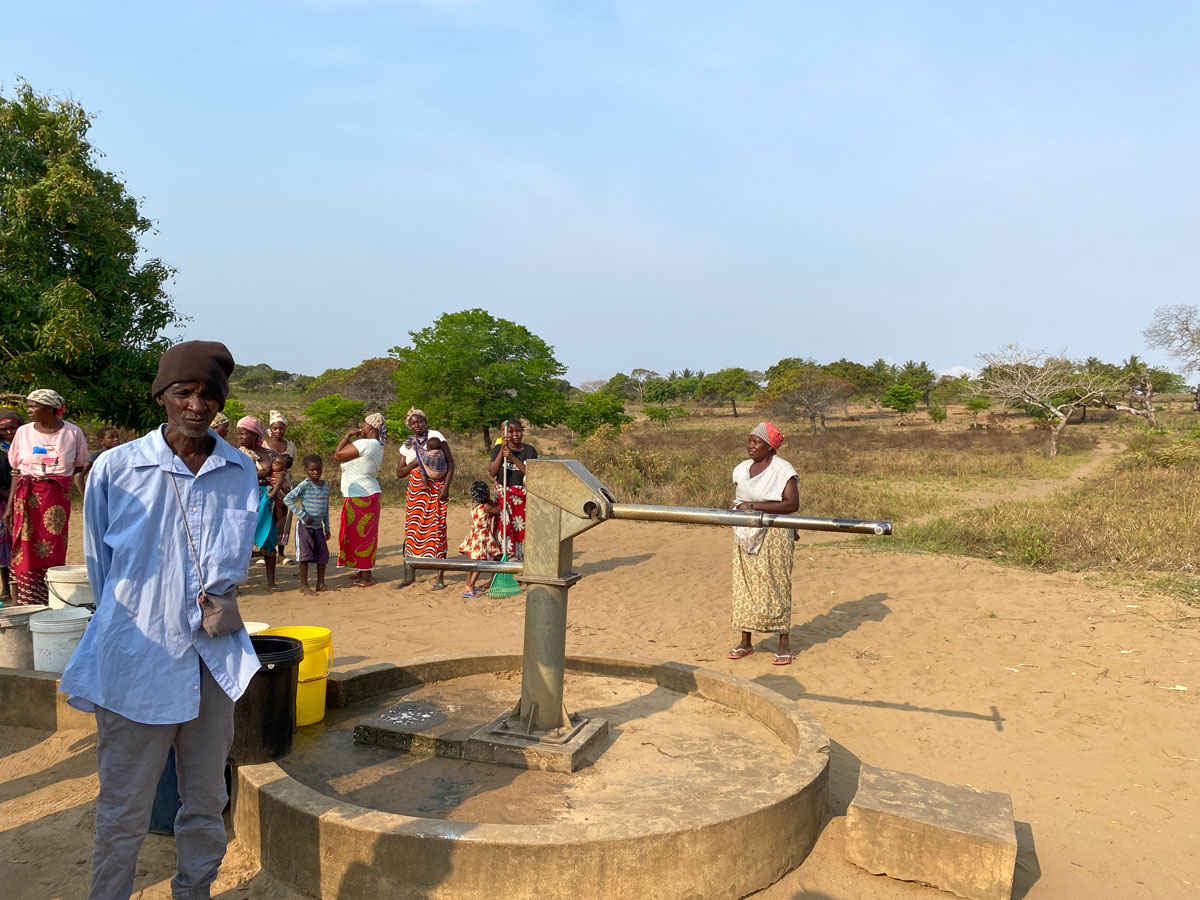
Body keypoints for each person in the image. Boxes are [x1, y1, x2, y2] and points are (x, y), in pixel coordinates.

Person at [58, 340, 259, 900]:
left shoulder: (240, 468)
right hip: (136, 661)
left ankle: (193, 890)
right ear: (162, 396)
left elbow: (232, 564)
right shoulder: (117, 470)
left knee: (205, 800)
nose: (196, 405)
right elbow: (102, 564)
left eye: (208, 395)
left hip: (212, 659)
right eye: (184, 392)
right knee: (124, 806)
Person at [3, 389, 89, 605]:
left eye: (34, 406)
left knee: (52, 547)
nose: (29, 411)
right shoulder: (23, 433)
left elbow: (79, 466)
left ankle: (53, 597)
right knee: (24, 549)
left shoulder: (72, 433)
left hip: (56, 498)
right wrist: (9, 507)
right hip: (25, 496)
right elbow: (16, 470)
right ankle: (26, 601)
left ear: (50, 408)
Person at [727, 421, 800, 666]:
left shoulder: (782, 469)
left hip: (774, 534)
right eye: (749, 441)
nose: (750, 446)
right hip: (744, 533)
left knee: (776, 583)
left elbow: (791, 504)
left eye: (756, 442)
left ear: (770, 447)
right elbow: (739, 499)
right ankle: (745, 641)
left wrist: (753, 507)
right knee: (744, 585)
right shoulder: (741, 469)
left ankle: (783, 644)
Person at [395, 407, 455, 589]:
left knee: (437, 530)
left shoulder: (436, 436)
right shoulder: (407, 445)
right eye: (413, 423)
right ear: (409, 425)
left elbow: (451, 463)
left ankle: (439, 576)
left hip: (437, 488)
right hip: (416, 492)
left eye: (419, 421)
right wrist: (418, 459)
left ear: (425, 421)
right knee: (412, 531)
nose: (417, 425)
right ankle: (409, 574)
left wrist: (446, 488)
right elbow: (399, 472)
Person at [334, 413, 386, 587]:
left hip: (361, 494)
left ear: (370, 427)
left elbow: (338, 455)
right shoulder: (377, 445)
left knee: (361, 535)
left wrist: (347, 436)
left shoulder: (366, 443)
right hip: (365, 493)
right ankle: (362, 570)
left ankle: (366, 576)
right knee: (359, 535)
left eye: (364, 426)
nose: (362, 429)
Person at [234, 417, 280, 592]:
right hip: (245, 499)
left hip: (267, 501)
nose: (240, 436)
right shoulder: (236, 454)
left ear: (255, 435)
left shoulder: (270, 454)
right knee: (241, 540)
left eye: (244, 433)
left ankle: (271, 582)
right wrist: (258, 474)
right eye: (238, 433)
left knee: (268, 539)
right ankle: (236, 583)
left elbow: (282, 476)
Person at [488, 419, 538, 561]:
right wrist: (502, 452)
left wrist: (512, 457)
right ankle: (503, 560)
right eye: (511, 432)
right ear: (504, 433)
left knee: (521, 529)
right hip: (503, 492)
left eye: (518, 431)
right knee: (503, 528)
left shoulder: (530, 450)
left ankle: (521, 562)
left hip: (521, 496)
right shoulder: (498, 449)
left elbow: (530, 474)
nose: (515, 434)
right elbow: (492, 472)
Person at [283, 454, 331, 594]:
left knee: (323, 555)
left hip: (318, 528)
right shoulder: (305, 484)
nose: (316, 472)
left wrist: (326, 527)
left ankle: (320, 584)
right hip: (305, 527)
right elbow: (288, 499)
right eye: (312, 470)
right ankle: (304, 585)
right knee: (305, 556)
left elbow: (326, 507)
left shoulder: (325, 485)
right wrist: (303, 514)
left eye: (318, 469)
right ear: (306, 471)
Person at [457, 481, 501, 598]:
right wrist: (492, 501)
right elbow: (498, 511)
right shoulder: (487, 507)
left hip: (474, 535)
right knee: (480, 562)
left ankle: (468, 583)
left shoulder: (474, 508)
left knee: (472, 561)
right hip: (483, 536)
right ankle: (471, 585)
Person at [263, 411, 297, 560]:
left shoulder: (290, 445)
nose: (278, 431)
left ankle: (281, 553)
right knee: (268, 517)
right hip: (268, 485)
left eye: (281, 428)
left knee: (285, 516)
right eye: (275, 428)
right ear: (271, 428)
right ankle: (265, 551)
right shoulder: (264, 444)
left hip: (286, 487)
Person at [0, 408, 23, 604]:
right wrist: (6, 494)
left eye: (12, 428)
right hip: (2, 498)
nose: (8, 433)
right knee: (3, 543)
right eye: (4, 429)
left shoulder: (26, 444)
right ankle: (6, 586)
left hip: (22, 496)